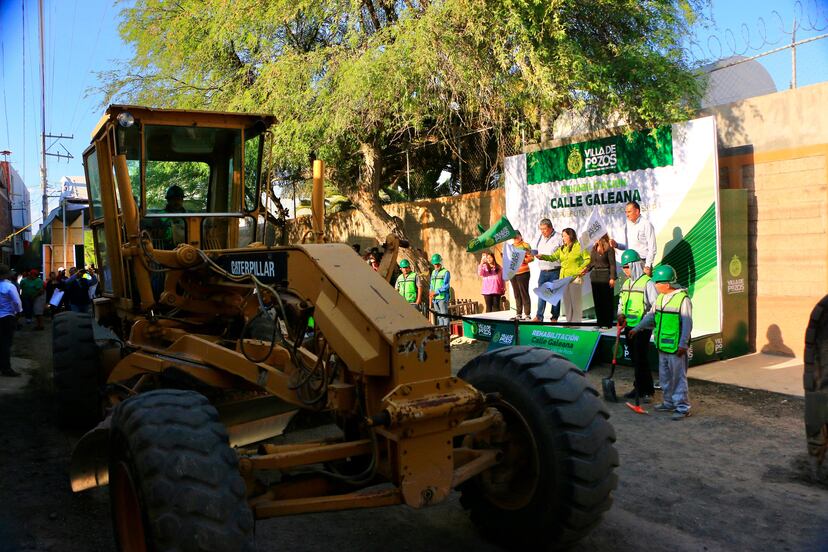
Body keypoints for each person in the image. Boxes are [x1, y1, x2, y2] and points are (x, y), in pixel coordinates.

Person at [629, 265, 693, 420]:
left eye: (657, 283)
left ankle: (683, 407)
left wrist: (683, 344)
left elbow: (687, 324)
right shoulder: (660, 298)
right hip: (663, 346)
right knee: (665, 377)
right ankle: (669, 402)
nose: (655, 285)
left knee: (678, 378)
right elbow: (651, 317)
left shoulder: (683, 300)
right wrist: (637, 329)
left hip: (676, 347)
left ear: (667, 284)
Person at [616, 249, 658, 402]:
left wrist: (639, 327)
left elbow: (655, 308)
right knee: (635, 359)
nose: (624, 270)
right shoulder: (626, 283)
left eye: (627, 267)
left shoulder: (648, 283)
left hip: (642, 328)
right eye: (623, 267)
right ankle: (638, 387)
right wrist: (620, 314)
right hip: (629, 327)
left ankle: (647, 391)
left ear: (634, 265)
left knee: (641, 359)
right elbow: (621, 302)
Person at [537, 228, 590, 323]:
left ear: (571, 235)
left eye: (565, 235)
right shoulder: (562, 248)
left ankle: (576, 323)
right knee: (567, 302)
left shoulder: (579, 246)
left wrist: (580, 269)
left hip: (575, 278)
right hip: (563, 278)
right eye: (562, 236)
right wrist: (543, 256)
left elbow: (587, 259)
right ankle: (569, 322)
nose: (563, 237)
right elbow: (553, 257)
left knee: (575, 302)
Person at [610, 201, 657, 276]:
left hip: (642, 263)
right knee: (634, 287)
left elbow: (652, 248)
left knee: (644, 287)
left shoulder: (646, 224)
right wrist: (616, 245)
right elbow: (627, 247)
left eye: (629, 212)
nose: (627, 215)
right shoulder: (627, 226)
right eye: (626, 212)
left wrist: (647, 266)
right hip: (630, 264)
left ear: (637, 211)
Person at [582, 235, 616, 328]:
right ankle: (599, 322)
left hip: (605, 275)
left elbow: (612, 264)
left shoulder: (609, 249)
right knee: (598, 300)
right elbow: (592, 262)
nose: (593, 239)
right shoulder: (594, 248)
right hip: (595, 276)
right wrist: (586, 269)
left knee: (606, 300)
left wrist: (612, 277)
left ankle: (607, 323)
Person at [532, 218, 562, 322]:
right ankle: (539, 317)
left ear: (550, 228)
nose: (542, 231)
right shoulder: (540, 237)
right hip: (543, 271)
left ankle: (554, 317)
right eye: (541, 229)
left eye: (544, 229)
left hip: (555, 270)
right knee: (542, 294)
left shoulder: (559, 237)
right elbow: (535, 248)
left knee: (555, 295)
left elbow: (564, 253)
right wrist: (533, 253)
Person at [0, 264, 23, 377]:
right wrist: (18, 311)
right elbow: (17, 302)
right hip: (6, 317)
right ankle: (6, 368)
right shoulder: (9, 286)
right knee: (5, 344)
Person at [509, 230, 533, 320]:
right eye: (514, 237)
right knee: (516, 293)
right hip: (513, 273)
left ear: (520, 236)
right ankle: (518, 313)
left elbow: (531, 258)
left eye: (516, 236)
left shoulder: (525, 245)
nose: (515, 238)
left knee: (524, 293)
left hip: (523, 272)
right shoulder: (510, 247)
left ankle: (527, 314)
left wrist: (522, 260)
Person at [429, 253, 450, 327]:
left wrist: (437, 292)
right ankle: (442, 331)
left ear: (440, 263)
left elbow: (446, 286)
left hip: (442, 297)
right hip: (435, 298)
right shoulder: (433, 272)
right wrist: (431, 292)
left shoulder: (445, 272)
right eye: (434, 264)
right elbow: (431, 284)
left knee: (444, 315)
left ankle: (446, 331)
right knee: (439, 316)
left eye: (437, 264)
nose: (436, 266)